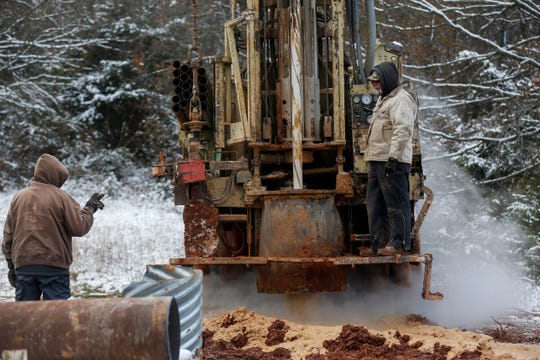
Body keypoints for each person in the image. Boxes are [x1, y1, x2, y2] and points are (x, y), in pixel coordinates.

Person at [2, 154, 105, 301]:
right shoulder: (62, 197)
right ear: (55, 176)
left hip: (24, 267)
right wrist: (90, 207)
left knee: (25, 318)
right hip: (54, 267)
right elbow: (79, 227)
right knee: (57, 319)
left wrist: (11, 265)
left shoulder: (18, 198)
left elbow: (8, 235)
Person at [363, 62, 417, 256]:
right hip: (376, 158)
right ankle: (378, 244)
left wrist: (393, 158)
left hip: (392, 160)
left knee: (396, 203)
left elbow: (402, 130)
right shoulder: (384, 99)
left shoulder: (401, 100)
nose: (374, 85)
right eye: (372, 81)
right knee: (375, 203)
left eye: (377, 81)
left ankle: (398, 243)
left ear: (387, 79)